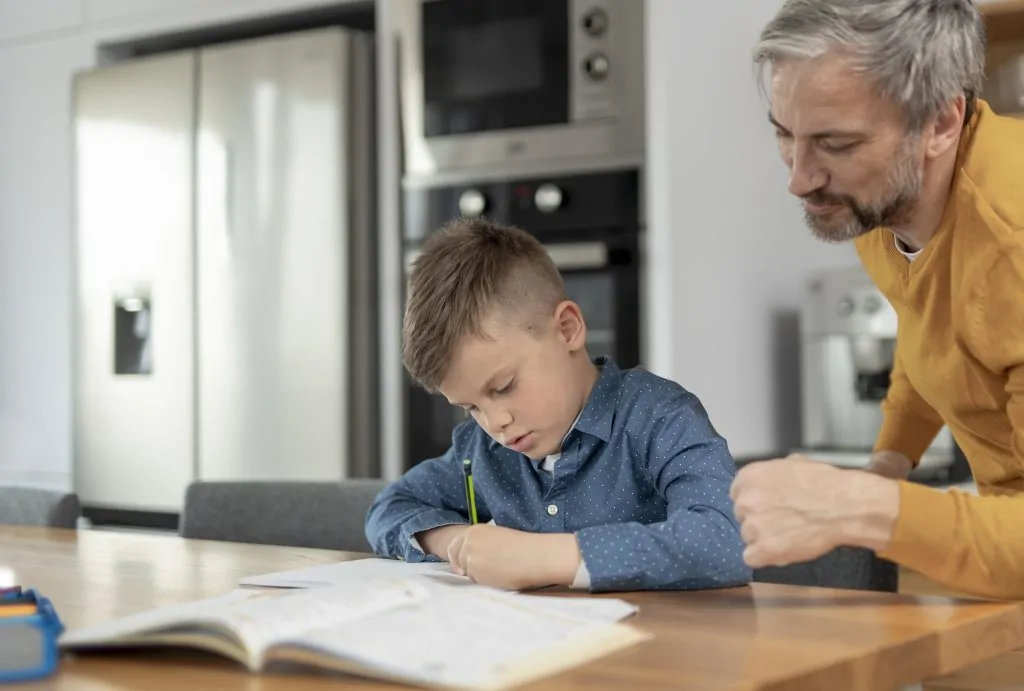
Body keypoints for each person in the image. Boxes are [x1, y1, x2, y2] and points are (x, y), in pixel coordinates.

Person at [730, 0, 1024, 599]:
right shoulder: (884, 208)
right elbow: (931, 333)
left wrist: (858, 506)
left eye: (835, 144)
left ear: (941, 123)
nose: (799, 178)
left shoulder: (1012, 249)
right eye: (785, 134)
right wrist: (891, 459)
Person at [365, 218, 751, 592]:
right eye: (471, 407)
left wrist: (544, 557)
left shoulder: (659, 417)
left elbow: (725, 542)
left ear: (567, 329)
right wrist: (457, 541)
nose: (496, 422)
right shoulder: (482, 450)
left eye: (504, 386)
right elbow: (389, 506)